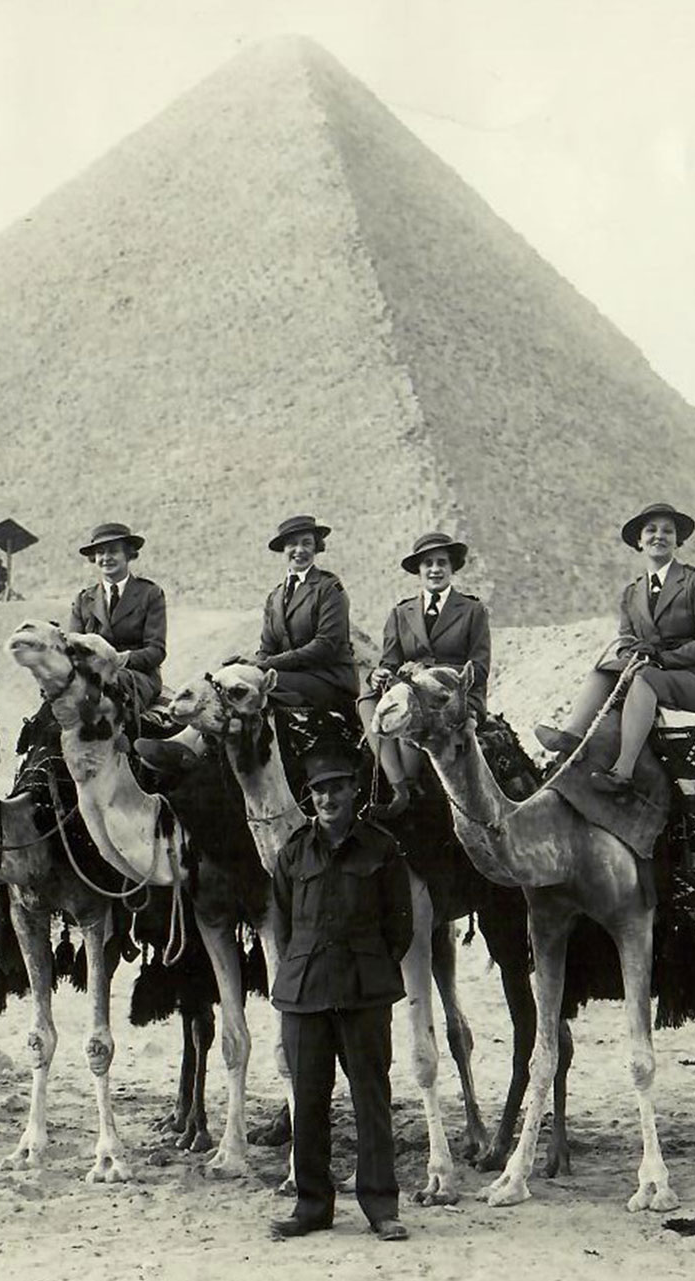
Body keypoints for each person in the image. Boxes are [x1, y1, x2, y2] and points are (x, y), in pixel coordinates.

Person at [267, 749, 413, 1244]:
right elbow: (282, 928)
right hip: (304, 994)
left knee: (371, 1098)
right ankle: (311, 1207)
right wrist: (303, 969)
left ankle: (381, 1207)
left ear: (354, 790)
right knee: (308, 1102)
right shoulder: (293, 853)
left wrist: (368, 966)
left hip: (364, 993)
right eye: (318, 790)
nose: (327, 797)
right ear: (310, 797)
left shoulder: (382, 848)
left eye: (336, 787)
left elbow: (401, 925)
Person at [535, 502, 695, 795]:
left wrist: (660, 659)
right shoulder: (631, 593)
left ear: (678, 540)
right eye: (650, 530)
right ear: (639, 542)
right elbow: (626, 640)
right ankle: (574, 735)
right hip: (653, 668)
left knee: (644, 680)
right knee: (602, 672)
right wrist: (631, 653)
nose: (659, 536)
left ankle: (622, 772)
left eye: (668, 531)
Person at [357, 531, 491, 818]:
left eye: (442, 562)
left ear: (452, 568)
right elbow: (390, 661)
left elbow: (478, 669)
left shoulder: (471, 610)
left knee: (413, 706)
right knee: (366, 696)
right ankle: (399, 785)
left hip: (452, 694)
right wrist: (380, 675)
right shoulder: (400, 612)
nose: (435, 569)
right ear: (418, 570)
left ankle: (412, 783)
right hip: (410, 689)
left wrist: (429, 673)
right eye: (427, 563)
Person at [252, 515, 358, 716]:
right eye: (292, 544)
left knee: (254, 688)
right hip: (289, 678)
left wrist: (267, 665)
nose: (299, 550)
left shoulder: (329, 587)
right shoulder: (274, 596)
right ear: (283, 549)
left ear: (316, 548)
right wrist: (254, 665)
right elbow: (267, 647)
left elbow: (325, 645)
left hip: (329, 680)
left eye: (306, 543)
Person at [67, 521, 167, 711]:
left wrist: (120, 659)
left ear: (128, 554)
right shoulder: (83, 599)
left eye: (113, 551)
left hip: (136, 677)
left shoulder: (150, 593)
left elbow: (156, 651)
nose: (106, 558)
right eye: (100, 553)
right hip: (90, 676)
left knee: (112, 698)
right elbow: (73, 647)